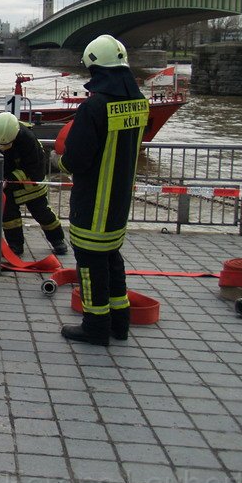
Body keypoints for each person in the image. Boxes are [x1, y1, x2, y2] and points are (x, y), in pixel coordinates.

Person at [53, 35, 149, 346]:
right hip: (120, 203)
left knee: (90, 265)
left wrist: (59, 162)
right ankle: (120, 322)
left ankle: (95, 326)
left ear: (95, 68)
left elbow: (77, 159)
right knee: (111, 260)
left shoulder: (95, 106)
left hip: (93, 201)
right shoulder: (139, 103)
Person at [0, 111, 68, 257]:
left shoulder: (27, 138)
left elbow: (36, 168)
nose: (4, 147)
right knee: (9, 217)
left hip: (28, 182)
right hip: (5, 185)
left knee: (42, 212)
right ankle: (16, 246)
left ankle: (58, 240)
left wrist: (10, 179)